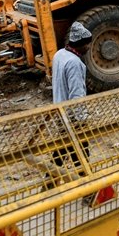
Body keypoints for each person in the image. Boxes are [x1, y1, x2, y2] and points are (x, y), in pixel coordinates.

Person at [51, 21, 92, 167]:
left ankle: (52, 174)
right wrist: (81, 119)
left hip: (59, 109)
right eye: (87, 44)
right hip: (72, 115)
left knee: (63, 146)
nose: (89, 47)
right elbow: (76, 94)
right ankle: (84, 176)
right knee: (80, 150)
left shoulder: (59, 54)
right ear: (80, 44)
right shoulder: (74, 63)